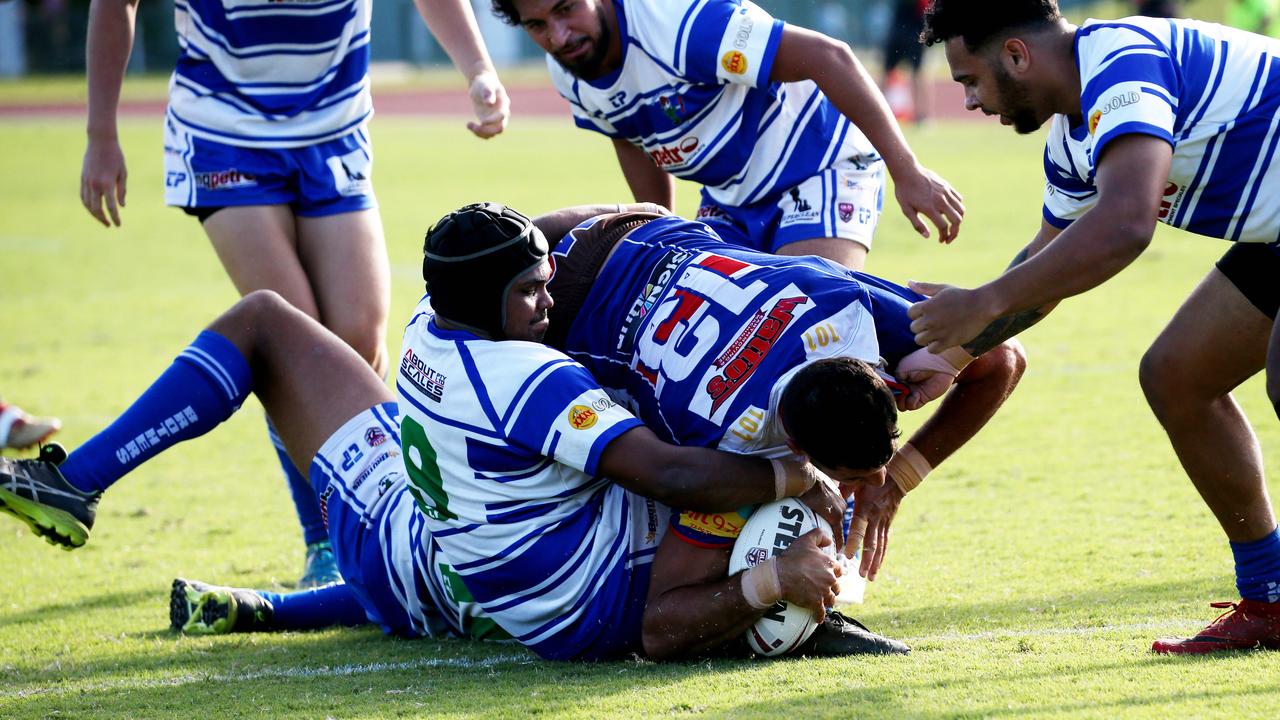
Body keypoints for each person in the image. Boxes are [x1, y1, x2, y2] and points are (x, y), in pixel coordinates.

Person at [0, 204, 880, 660]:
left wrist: (627, 222)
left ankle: (87, 484)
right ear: (495, 297)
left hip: (404, 532)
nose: (548, 300)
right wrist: (791, 479)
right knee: (675, 457)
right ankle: (290, 591)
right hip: (545, 598)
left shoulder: (434, 322)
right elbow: (676, 481)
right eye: (533, 290)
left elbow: (556, 241)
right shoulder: (530, 375)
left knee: (264, 325)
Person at [79, 0, 511, 587]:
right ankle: (327, 544)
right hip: (223, 131)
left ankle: (388, 520)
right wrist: (101, 132)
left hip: (334, 130)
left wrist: (479, 68)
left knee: (357, 339)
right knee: (294, 339)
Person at [907, 0, 1280, 654]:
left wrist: (984, 299)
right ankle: (1272, 597)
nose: (969, 101)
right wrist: (950, 355)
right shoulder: (1072, 141)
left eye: (970, 80)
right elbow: (1044, 272)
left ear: (1017, 55)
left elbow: (1126, 225)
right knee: (1177, 375)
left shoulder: (1122, 62)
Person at [535, 208, 1025, 657]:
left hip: (642, 231)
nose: (869, 487)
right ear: (791, 446)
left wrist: (898, 480)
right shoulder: (729, 440)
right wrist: (771, 580)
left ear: (875, 373)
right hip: (565, 301)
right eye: (851, 475)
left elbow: (1003, 355)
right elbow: (660, 629)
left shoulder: (844, 304)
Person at [489, 0, 964, 271]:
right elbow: (629, 136)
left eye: (566, 9)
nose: (559, 36)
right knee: (720, 338)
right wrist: (663, 228)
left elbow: (829, 56)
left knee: (811, 320)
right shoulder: (567, 70)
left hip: (821, 163)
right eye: (537, 25)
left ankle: (938, 347)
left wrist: (908, 169)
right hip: (730, 196)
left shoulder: (681, 26)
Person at [882, 0, 932, 124]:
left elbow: (926, 8)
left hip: (913, 30)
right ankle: (879, 111)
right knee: (887, 73)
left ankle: (921, 115)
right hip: (900, 30)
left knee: (917, 73)